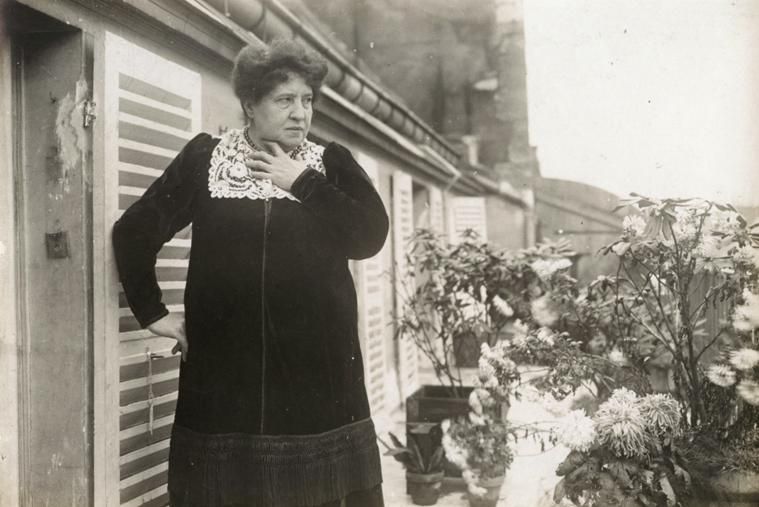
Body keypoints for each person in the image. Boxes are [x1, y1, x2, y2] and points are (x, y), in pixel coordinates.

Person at [113, 38, 388, 507]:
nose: (300, 114)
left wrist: (302, 182)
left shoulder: (329, 162)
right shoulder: (206, 159)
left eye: (307, 100)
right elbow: (134, 231)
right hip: (226, 377)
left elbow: (370, 236)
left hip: (317, 375)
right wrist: (153, 312)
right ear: (249, 105)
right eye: (285, 100)